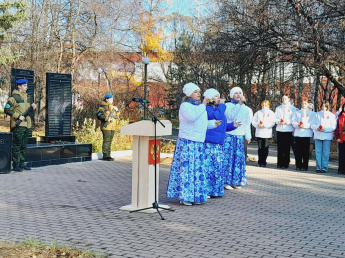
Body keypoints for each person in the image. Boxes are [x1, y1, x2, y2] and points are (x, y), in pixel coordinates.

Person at [166, 83, 211, 206]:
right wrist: (203, 105)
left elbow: (202, 123)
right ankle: (185, 196)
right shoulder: (185, 106)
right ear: (189, 93)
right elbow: (192, 118)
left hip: (198, 141)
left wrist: (213, 124)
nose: (199, 93)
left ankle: (196, 195)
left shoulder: (200, 107)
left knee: (197, 170)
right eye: (195, 91)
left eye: (199, 91)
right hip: (188, 141)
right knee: (187, 169)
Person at [4, 79, 36, 172]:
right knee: (17, 145)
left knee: (23, 145)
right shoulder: (13, 98)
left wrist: (33, 107)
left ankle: (22, 163)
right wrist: (18, 116)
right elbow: (7, 110)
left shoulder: (27, 97)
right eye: (24, 85)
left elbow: (29, 110)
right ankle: (15, 165)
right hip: (19, 125)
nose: (27, 87)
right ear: (19, 86)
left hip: (27, 125)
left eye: (26, 85)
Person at [223, 86, 251, 190]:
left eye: (240, 93)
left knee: (238, 159)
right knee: (228, 159)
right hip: (229, 135)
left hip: (239, 136)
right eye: (236, 93)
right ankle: (226, 181)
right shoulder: (227, 105)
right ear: (231, 95)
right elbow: (230, 115)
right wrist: (239, 105)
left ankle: (236, 180)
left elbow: (247, 122)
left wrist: (248, 135)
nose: (238, 95)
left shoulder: (245, 108)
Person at [311, 101, 336, 173]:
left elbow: (333, 126)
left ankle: (324, 167)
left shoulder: (331, 115)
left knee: (325, 152)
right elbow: (312, 124)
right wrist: (317, 128)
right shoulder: (317, 115)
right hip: (318, 135)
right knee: (318, 152)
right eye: (322, 106)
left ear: (327, 107)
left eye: (325, 106)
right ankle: (319, 166)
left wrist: (325, 129)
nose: (323, 107)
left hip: (327, 136)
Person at [275, 95, 297, 169]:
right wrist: (279, 121)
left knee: (286, 147)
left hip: (288, 129)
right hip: (280, 129)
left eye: (285, 99)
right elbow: (275, 118)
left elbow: (293, 119)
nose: (284, 100)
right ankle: (279, 162)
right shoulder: (278, 108)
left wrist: (286, 122)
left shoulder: (292, 109)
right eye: (283, 98)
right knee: (280, 147)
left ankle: (286, 162)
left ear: (289, 99)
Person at [252, 100, 276, 167]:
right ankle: (260, 161)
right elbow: (253, 121)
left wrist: (264, 125)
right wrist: (257, 124)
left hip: (266, 133)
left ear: (268, 106)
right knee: (260, 148)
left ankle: (264, 161)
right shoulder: (258, 113)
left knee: (265, 148)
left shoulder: (271, 113)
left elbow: (272, 122)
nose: (264, 106)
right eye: (263, 105)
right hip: (259, 132)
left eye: (265, 105)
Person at [292, 99, 314, 171]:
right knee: (298, 151)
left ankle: (305, 166)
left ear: (307, 104)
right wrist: (298, 125)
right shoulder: (297, 113)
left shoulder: (311, 113)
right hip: (298, 133)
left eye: (305, 103)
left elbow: (312, 123)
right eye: (303, 103)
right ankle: (298, 165)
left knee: (305, 151)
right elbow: (293, 121)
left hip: (306, 134)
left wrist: (304, 125)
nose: (303, 105)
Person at [97, 94, 119, 161]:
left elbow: (117, 116)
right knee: (106, 141)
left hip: (112, 127)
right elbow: (99, 115)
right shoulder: (103, 107)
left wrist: (117, 111)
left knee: (110, 141)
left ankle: (108, 155)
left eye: (112, 99)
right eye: (110, 99)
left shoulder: (113, 107)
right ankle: (105, 155)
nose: (112, 100)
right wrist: (106, 119)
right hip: (106, 127)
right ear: (106, 99)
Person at [334, 103, 345, 174]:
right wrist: (337, 136)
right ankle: (341, 169)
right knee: (341, 154)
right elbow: (337, 128)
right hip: (341, 137)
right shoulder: (340, 116)